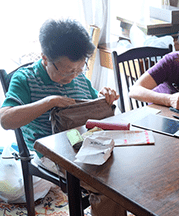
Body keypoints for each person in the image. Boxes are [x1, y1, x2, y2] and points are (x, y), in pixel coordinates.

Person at [0, 19, 120, 215]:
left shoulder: (78, 77)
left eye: (78, 69)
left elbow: (90, 104)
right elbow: (5, 120)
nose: (72, 77)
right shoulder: (25, 79)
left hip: (81, 145)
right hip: (48, 152)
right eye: (65, 73)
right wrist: (49, 102)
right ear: (45, 58)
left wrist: (103, 96)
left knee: (125, 172)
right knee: (107, 187)